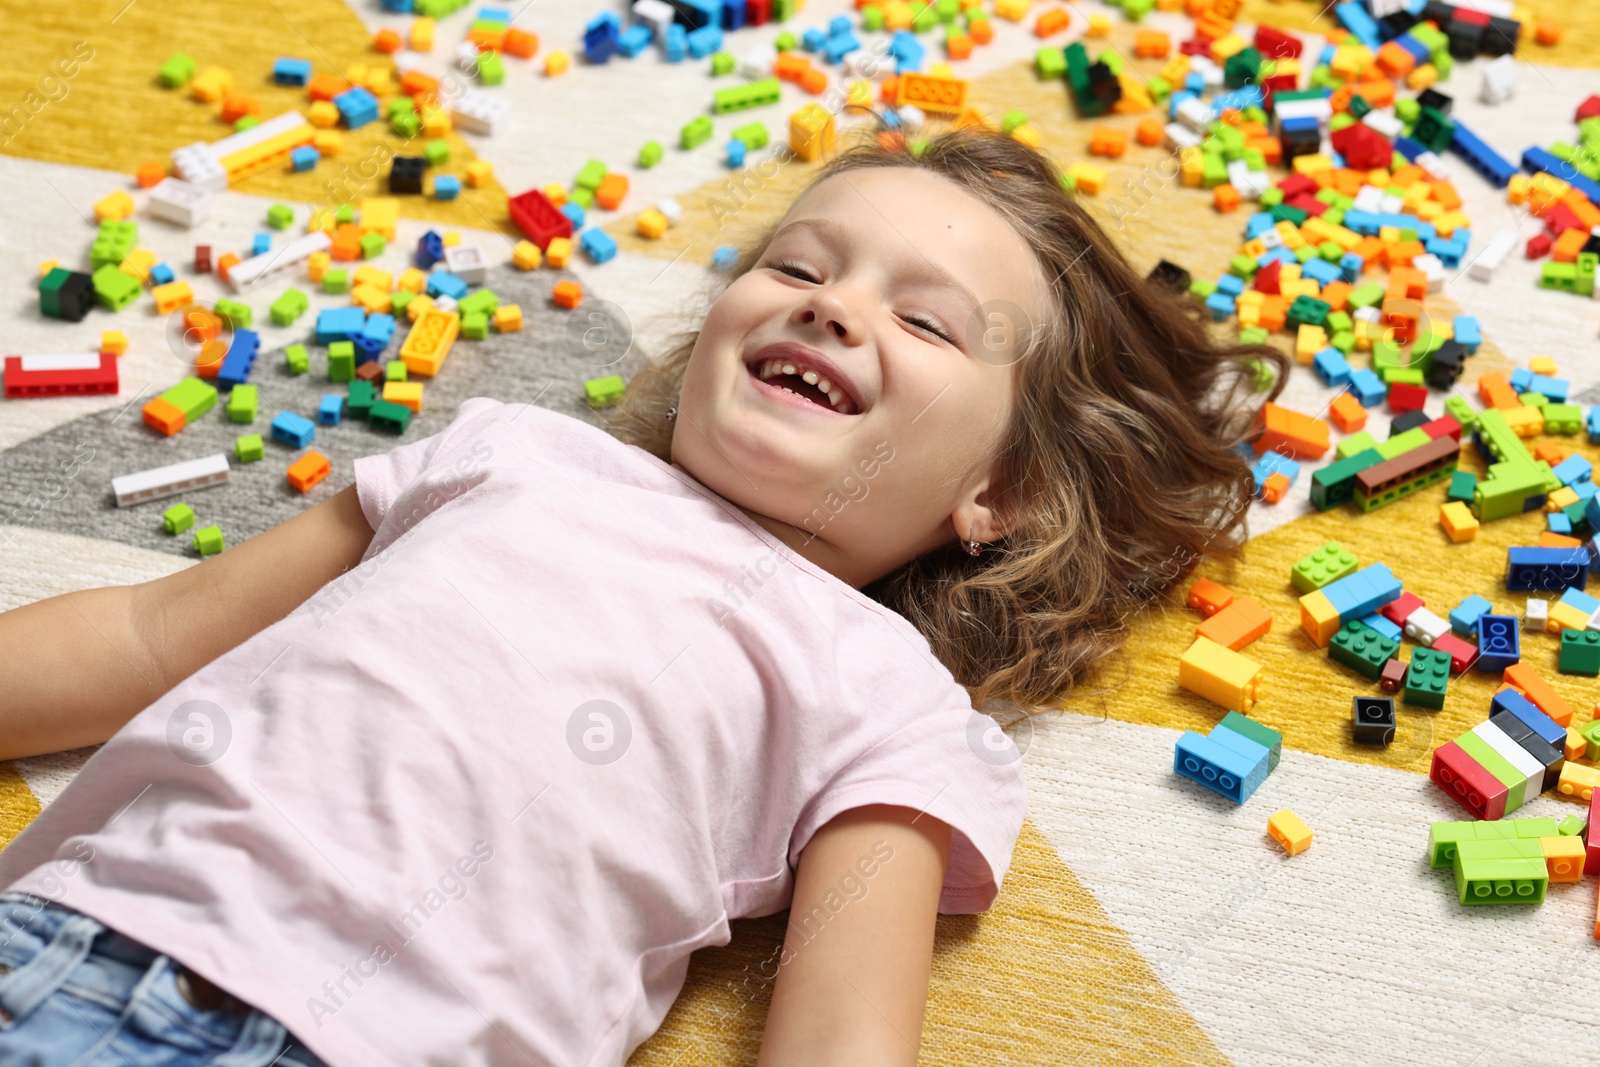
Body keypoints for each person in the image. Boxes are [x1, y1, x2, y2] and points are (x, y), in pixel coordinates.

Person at [0, 127, 1286, 1066]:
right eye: (799, 267)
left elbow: (842, 1030)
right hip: (62, 927)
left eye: (928, 323)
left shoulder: (888, 695)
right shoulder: (509, 452)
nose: (831, 306)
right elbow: (148, 632)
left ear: (998, 492)